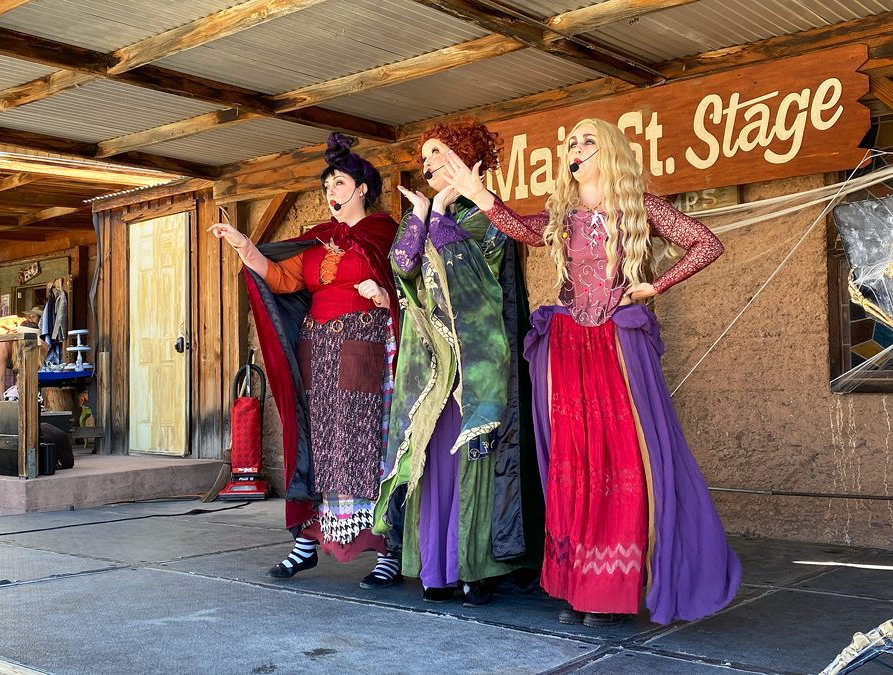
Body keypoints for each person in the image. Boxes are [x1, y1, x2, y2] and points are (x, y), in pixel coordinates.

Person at [445, 117, 742, 626]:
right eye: (571, 142)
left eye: (588, 141)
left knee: (621, 462)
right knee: (573, 464)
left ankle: (611, 590)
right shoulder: (562, 213)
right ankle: (579, 585)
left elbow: (706, 243)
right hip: (567, 347)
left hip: (616, 346)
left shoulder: (641, 208)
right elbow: (525, 232)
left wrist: (655, 286)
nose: (576, 149)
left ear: (610, 152)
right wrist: (480, 195)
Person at [208, 133, 402, 588]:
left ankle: (386, 549)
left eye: (340, 183)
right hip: (316, 351)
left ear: (362, 188)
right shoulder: (317, 240)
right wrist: (244, 246)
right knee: (315, 446)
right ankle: (307, 542)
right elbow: (279, 279)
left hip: (364, 348)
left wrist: (383, 293)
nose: (332, 191)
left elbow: (409, 283)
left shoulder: (384, 235)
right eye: (327, 185)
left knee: (363, 444)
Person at [373, 119, 542, 607]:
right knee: (433, 462)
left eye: (437, 153)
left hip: (476, 362)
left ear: (465, 157)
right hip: (432, 365)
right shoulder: (424, 214)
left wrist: (443, 212)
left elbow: (471, 276)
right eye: (424, 157)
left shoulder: (488, 215)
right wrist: (423, 214)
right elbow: (403, 266)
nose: (427, 164)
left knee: (476, 459)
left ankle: (475, 569)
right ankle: (438, 568)